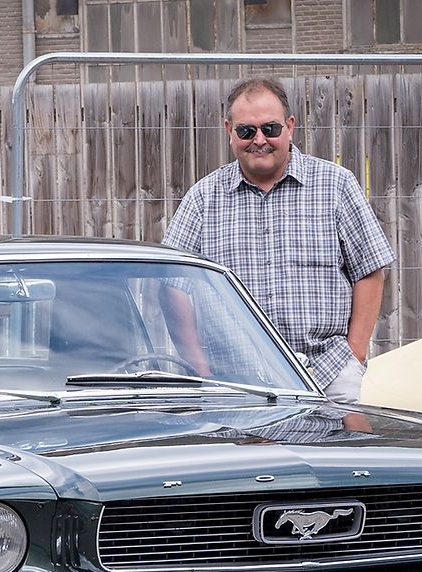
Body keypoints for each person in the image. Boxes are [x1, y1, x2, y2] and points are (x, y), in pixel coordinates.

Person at [163, 77, 394, 403]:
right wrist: (200, 367)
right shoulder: (203, 198)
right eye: (246, 131)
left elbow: (370, 270)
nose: (259, 140)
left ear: (290, 126)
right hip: (237, 383)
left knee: (336, 455)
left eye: (269, 129)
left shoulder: (335, 185)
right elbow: (171, 283)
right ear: (229, 130)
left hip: (326, 375)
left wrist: (353, 355)